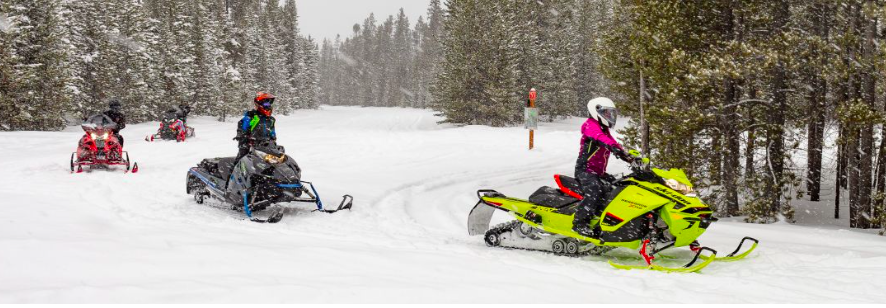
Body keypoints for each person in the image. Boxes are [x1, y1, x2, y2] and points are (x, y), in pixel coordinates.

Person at [572, 97, 633, 238]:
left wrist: (627, 156)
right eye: (606, 113)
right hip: (585, 170)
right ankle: (580, 223)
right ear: (596, 111)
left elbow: (612, 142)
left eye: (610, 114)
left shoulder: (604, 129)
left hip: (598, 172)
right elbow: (599, 137)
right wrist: (612, 147)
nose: (609, 116)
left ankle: (604, 222)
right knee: (595, 189)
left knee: (618, 188)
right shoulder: (590, 125)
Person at [234, 92, 277, 162]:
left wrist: (273, 139)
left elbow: (272, 131)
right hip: (251, 146)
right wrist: (242, 135)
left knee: (276, 161)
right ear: (259, 103)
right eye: (266, 103)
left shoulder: (271, 119)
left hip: (265, 146)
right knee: (242, 159)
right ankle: (233, 171)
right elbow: (243, 126)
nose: (268, 105)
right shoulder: (253, 117)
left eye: (269, 103)